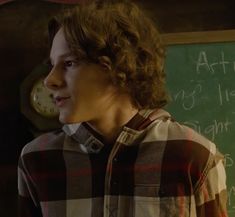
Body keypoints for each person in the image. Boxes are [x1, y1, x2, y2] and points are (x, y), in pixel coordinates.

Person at [18, 1, 228, 217]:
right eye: (52, 65)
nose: (50, 80)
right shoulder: (38, 159)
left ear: (120, 66)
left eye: (69, 63)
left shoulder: (194, 157)